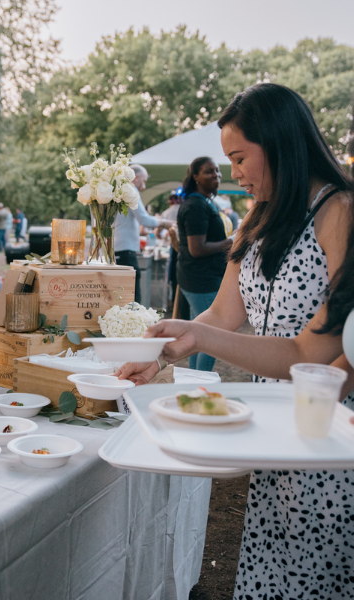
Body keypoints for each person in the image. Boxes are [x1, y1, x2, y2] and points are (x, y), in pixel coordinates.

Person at [117, 83, 354, 600]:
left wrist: (198, 334)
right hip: (276, 424)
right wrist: (163, 350)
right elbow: (226, 312)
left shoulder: (341, 211)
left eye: (241, 157)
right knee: (275, 568)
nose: (235, 173)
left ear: (282, 143)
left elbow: (308, 352)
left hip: (331, 430)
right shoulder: (257, 216)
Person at [176, 156, 233, 371]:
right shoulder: (195, 206)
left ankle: (193, 382)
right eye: (209, 171)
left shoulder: (206, 201)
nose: (216, 175)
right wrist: (231, 242)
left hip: (203, 277)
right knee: (211, 336)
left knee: (197, 334)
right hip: (201, 280)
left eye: (217, 170)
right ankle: (201, 382)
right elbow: (196, 249)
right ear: (195, 176)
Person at [114, 164, 173, 305]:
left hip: (119, 247)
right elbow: (144, 219)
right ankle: (134, 321)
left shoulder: (120, 191)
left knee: (125, 289)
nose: (144, 186)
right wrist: (165, 223)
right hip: (125, 248)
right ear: (136, 178)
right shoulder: (131, 191)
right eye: (144, 181)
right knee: (132, 291)